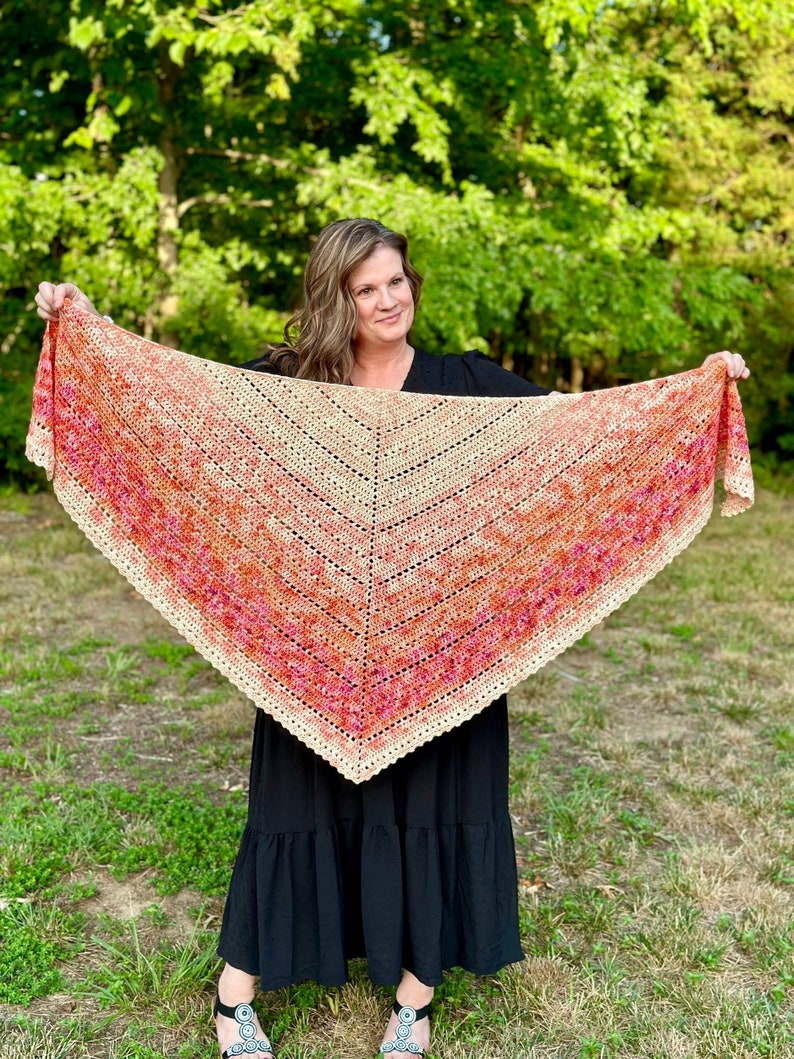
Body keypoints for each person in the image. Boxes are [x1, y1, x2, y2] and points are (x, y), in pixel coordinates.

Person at [35, 218, 750, 1058]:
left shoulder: (467, 384)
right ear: (337, 297)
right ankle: (236, 996)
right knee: (292, 802)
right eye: (366, 287)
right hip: (313, 652)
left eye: (397, 281)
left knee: (438, 800)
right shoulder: (288, 385)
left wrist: (697, 390)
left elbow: (583, 430)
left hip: (448, 648)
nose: (387, 300)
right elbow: (179, 400)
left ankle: (416, 995)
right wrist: (86, 326)